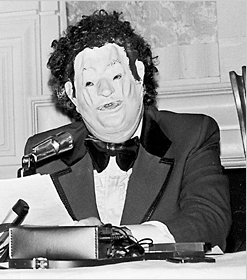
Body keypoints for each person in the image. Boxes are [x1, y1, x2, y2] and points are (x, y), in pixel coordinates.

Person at [24, 10, 231, 250]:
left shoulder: (192, 135)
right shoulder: (45, 152)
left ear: (139, 76)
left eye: (116, 75)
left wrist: (115, 237)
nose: (105, 90)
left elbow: (209, 224)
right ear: (73, 95)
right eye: (89, 82)